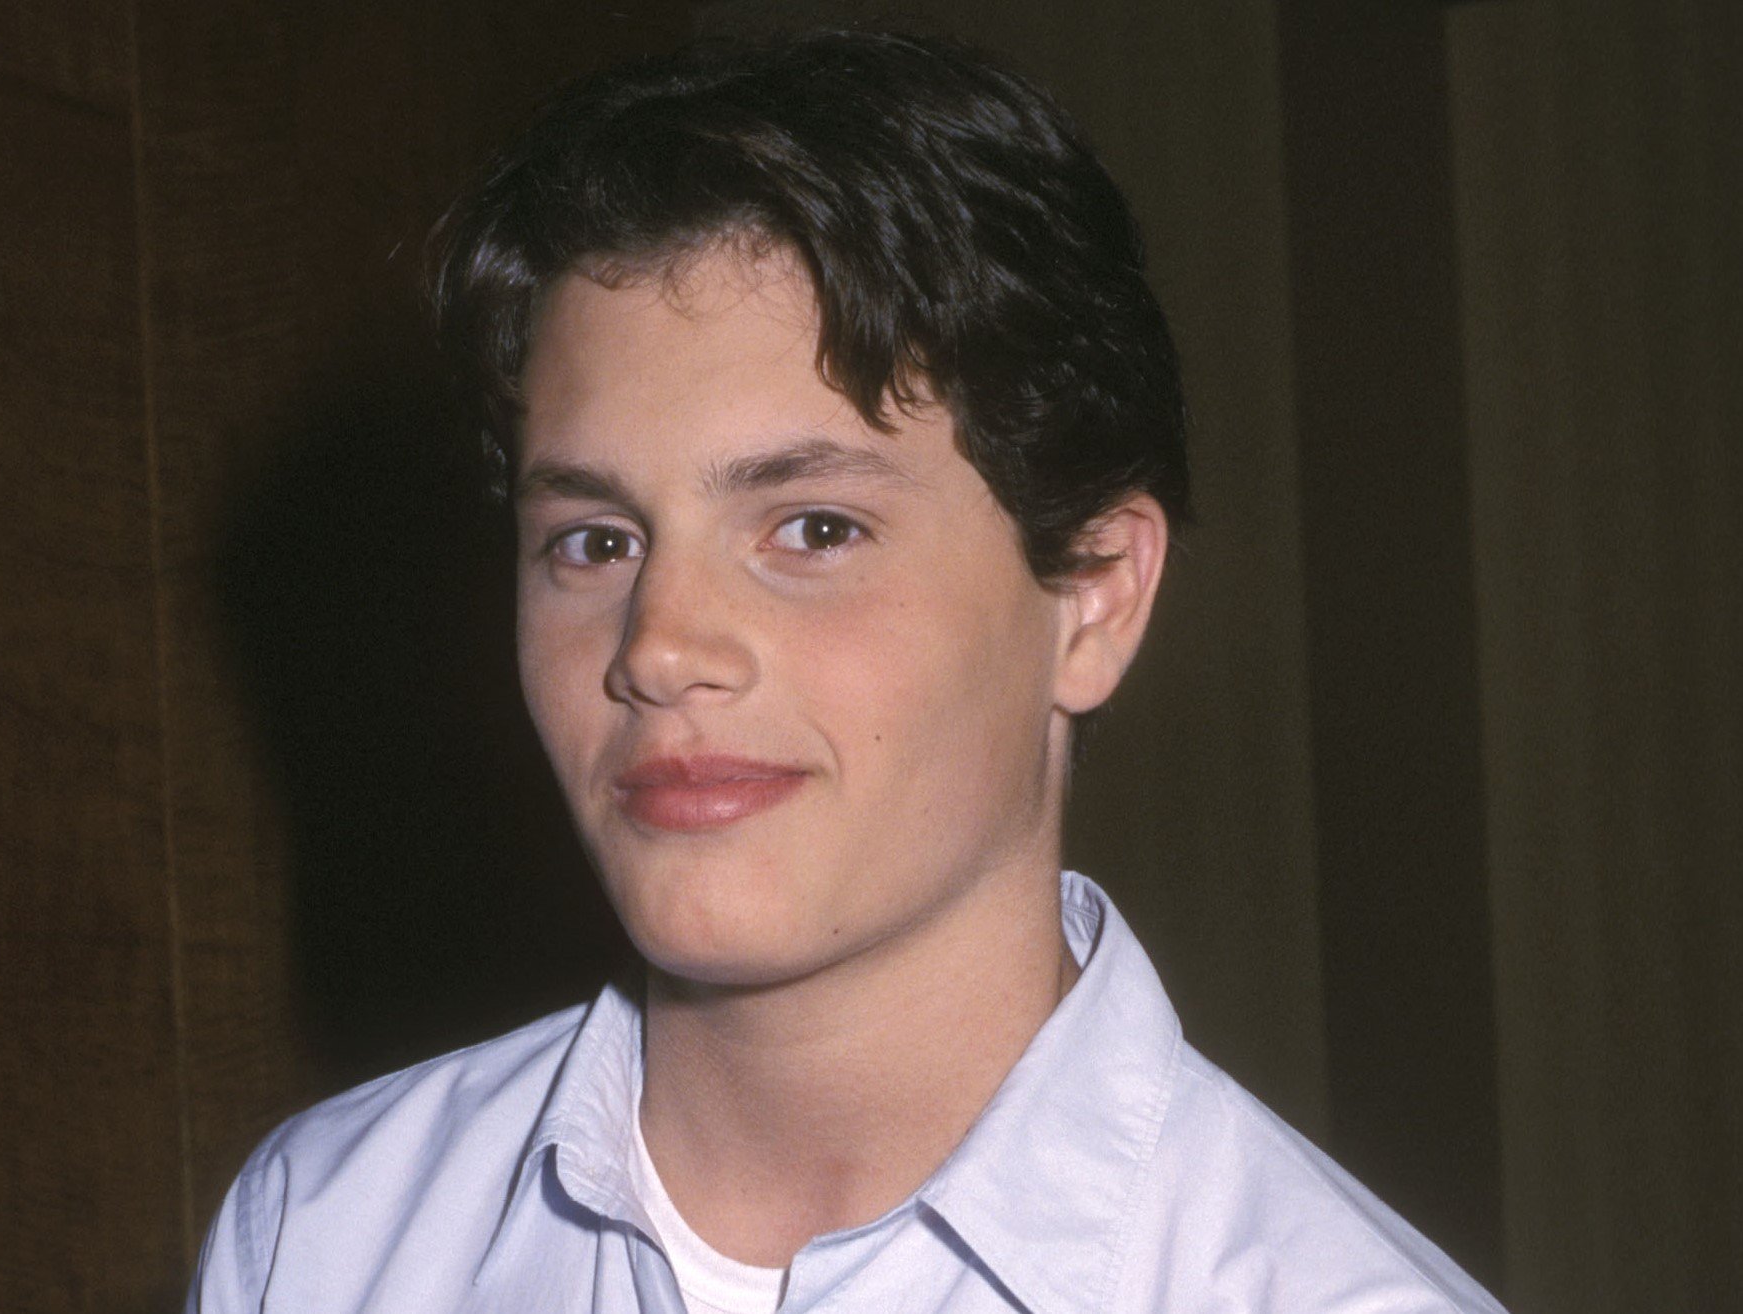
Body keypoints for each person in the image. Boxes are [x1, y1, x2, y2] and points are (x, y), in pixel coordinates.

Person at [187, 30, 1506, 1313]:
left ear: (1093, 595)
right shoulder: (324, 1235)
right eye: (594, 540)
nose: (659, 646)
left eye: (815, 528)